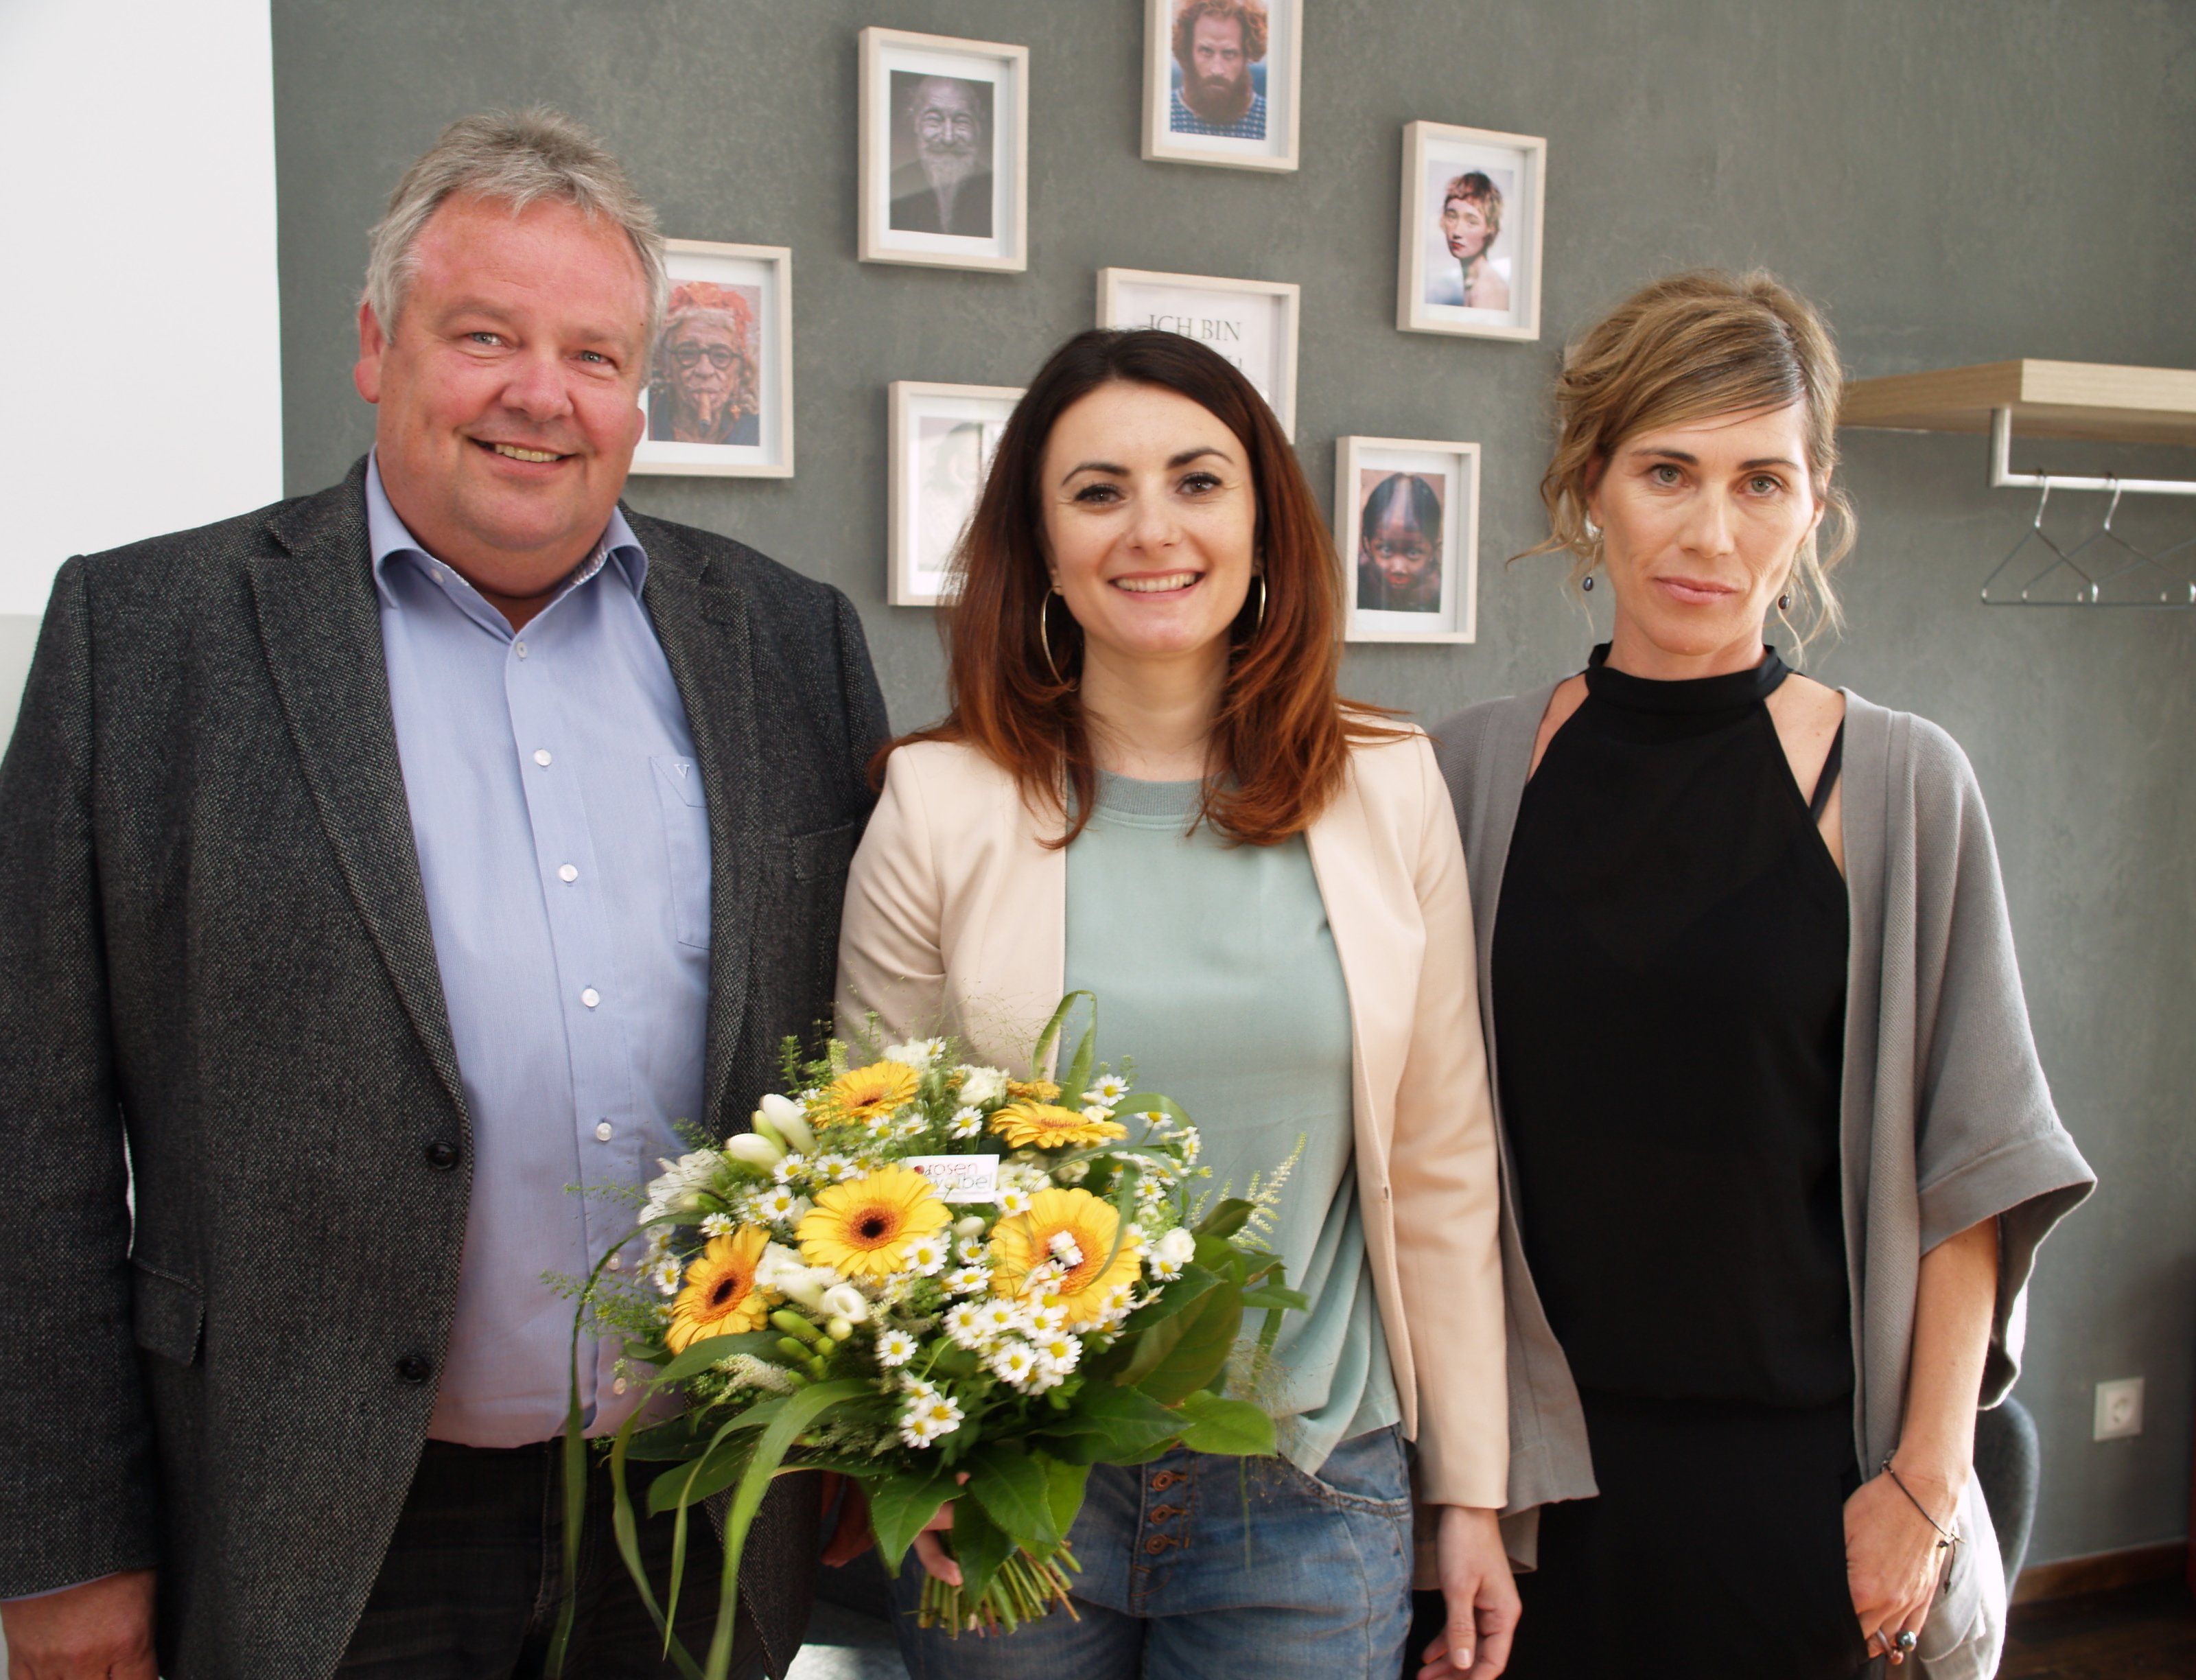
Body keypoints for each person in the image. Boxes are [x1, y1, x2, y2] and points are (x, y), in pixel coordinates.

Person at [0, 108, 887, 1680]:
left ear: (638, 386)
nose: (541, 394)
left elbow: (856, 1074)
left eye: (595, 353)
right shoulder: (145, 642)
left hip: (693, 1505)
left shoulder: (788, 643)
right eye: (484, 334)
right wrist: (62, 1547)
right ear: (375, 343)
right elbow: (31, 1144)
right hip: (316, 1519)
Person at [1423, 270, 2094, 1680]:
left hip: (1797, 1490)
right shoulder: (1465, 775)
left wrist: (1918, 1483)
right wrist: (1455, 1494)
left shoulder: (1905, 787)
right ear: (1588, 481)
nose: (1711, 531)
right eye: (1667, 470)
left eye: (1760, 481)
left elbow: (1970, 1169)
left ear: (1815, 498)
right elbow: (1416, 1157)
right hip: (1528, 1490)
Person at [837, 328, 1517, 1679]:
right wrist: (916, 1451)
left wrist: (1473, 1496)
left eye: (1196, 481)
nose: (1152, 528)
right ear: (1039, 545)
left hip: (1313, 1491)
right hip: (1017, 1489)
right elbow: (874, 1165)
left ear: (1263, 520)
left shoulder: (1390, 787)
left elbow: (1442, 1166)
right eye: (1098, 491)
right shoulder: (937, 803)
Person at [649, 283, 761, 445]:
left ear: (740, 371)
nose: (704, 370)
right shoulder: (646, 421)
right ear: (666, 364)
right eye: (687, 353)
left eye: (721, 356)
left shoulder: (755, 433)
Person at [889, 73, 994, 237]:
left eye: (962, 121)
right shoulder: (892, 187)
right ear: (916, 123)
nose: (948, 138)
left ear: (978, 126)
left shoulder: (996, 191)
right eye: (934, 121)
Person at [1169, 0, 1270, 141]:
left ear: (1247, 53)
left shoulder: (1269, 121)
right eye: (1206, 51)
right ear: (1188, 50)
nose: (1217, 70)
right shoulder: (1163, 116)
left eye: (1229, 54)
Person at [1358, 472, 1445, 613]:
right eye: (1385, 550)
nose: (1398, 568)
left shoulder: (1445, 594)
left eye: (1413, 552)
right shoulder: (1357, 584)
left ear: (1433, 549)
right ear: (1368, 543)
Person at [1436, 173, 1510, 312]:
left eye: (1471, 222)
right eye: (1451, 217)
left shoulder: (1487, 290)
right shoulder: (1472, 283)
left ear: (1490, 228)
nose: (1457, 232)